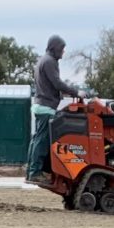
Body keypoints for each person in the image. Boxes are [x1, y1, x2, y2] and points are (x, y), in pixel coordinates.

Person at [26, 35, 81, 186]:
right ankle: (35, 173)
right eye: (62, 49)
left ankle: (30, 170)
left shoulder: (43, 60)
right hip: (46, 107)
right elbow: (57, 83)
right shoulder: (50, 62)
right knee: (42, 141)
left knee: (36, 139)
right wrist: (76, 92)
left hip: (40, 105)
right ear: (55, 48)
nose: (63, 53)